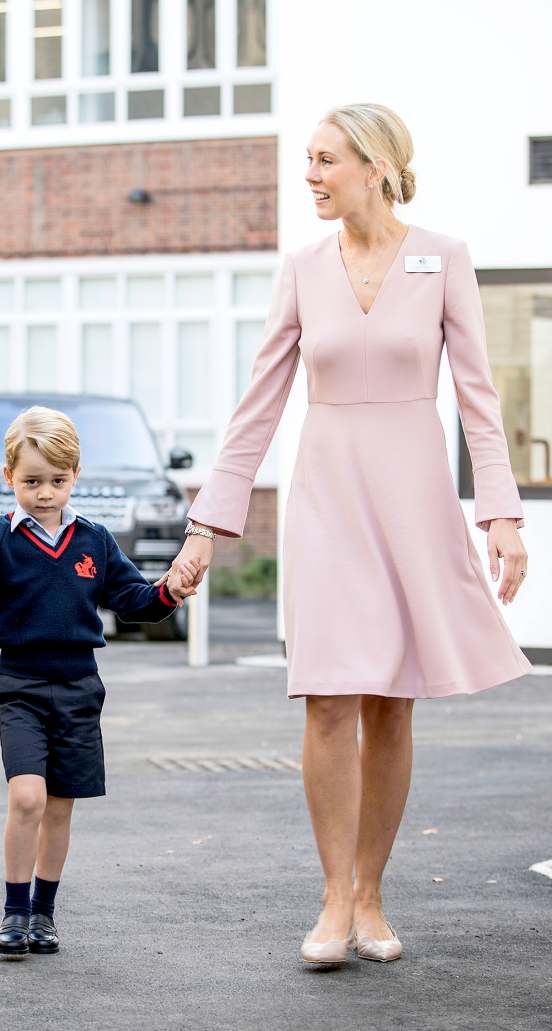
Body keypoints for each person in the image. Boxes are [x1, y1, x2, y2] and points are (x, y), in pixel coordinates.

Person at [166, 104, 531, 966]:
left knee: (391, 699)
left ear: (374, 164)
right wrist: (208, 524)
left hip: (413, 497)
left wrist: (503, 514)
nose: (311, 176)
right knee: (329, 694)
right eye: (308, 160)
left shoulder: (444, 259)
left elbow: (479, 398)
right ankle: (333, 899)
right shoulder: (301, 268)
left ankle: (372, 892)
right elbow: (259, 404)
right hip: (328, 497)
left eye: (325, 160)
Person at [0, 406, 196, 958]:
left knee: (60, 806)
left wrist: (169, 591)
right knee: (27, 797)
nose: (44, 493)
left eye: (57, 481)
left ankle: (43, 915)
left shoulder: (94, 541)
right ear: (9, 477)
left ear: (75, 476)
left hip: (79, 690)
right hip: (19, 686)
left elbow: (133, 602)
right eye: (32, 481)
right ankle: (14, 913)